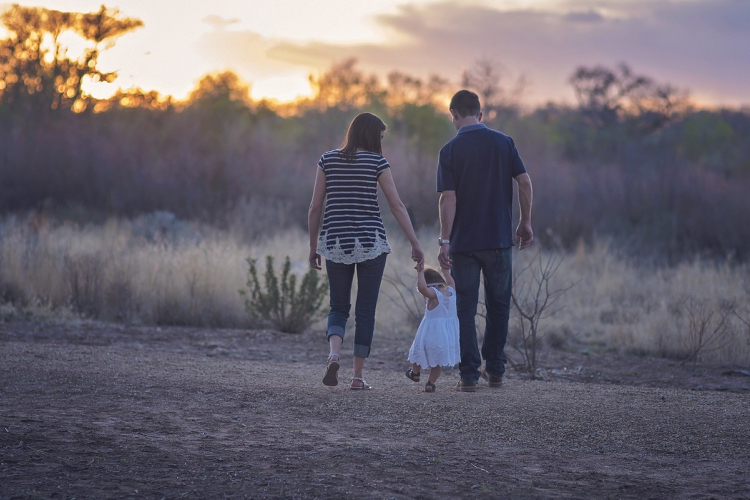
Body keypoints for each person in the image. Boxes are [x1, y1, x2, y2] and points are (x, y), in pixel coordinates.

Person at [308, 112, 425, 390]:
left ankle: (334, 354)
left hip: (335, 242)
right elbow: (396, 206)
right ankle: (357, 377)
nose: (381, 142)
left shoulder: (327, 160)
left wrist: (314, 246)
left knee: (338, 306)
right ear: (372, 135)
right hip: (371, 243)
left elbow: (314, 207)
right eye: (381, 136)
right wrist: (415, 242)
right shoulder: (377, 162)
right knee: (365, 311)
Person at [436, 90, 533, 392]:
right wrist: (525, 221)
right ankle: (496, 370)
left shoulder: (449, 150)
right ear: (480, 113)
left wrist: (444, 240)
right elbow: (525, 181)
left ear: (453, 114)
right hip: (499, 240)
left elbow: (447, 199)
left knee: (465, 308)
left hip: (464, 244)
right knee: (499, 305)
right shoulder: (504, 143)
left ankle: (468, 376)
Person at [405, 264, 460, 393]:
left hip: (430, 332)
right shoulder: (451, 291)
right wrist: (445, 271)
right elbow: (451, 282)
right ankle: (430, 383)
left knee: (419, 352)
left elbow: (423, 288)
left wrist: (419, 273)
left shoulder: (434, 294)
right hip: (446, 335)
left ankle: (415, 373)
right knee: (437, 361)